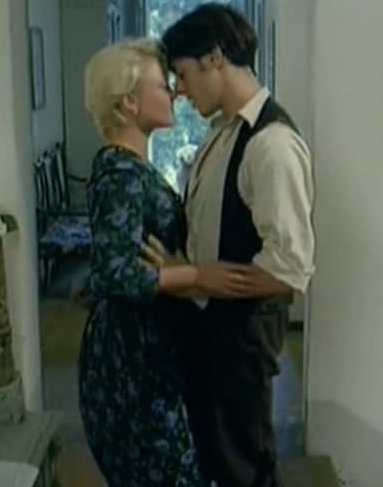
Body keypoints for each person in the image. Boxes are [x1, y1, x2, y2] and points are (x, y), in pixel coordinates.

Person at [79, 38, 258, 487]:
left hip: (147, 354)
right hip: (131, 365)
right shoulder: (120, 175)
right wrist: (195, 276)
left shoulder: (129, 168)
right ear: (129, 103)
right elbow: (113, 273)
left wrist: (179, 270)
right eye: (163, 85)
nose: (175, 92)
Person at [153, 3, 316, 487]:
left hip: (240, 338)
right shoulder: (223, 131)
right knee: (222, 464)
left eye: (183, 75)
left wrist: (200, 280)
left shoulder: (271, 144)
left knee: (245, 469)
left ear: (215, 58)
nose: (180, 91)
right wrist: (191, 273)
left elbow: (289, 267)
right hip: (215, 333)